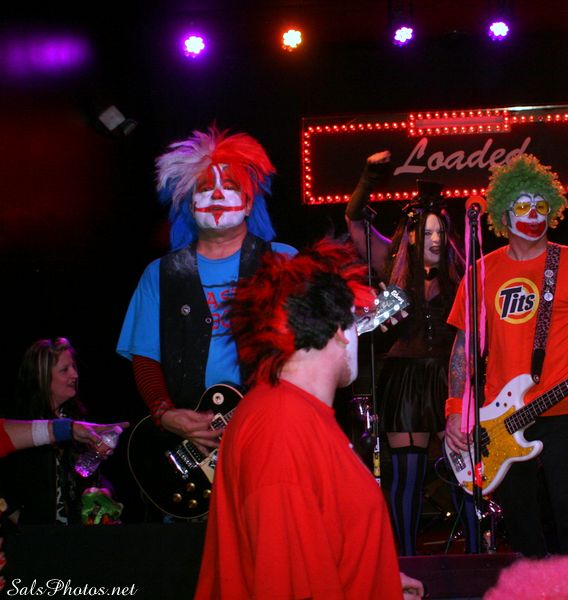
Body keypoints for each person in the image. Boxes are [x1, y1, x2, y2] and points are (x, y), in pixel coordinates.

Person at [194, 238, 423, 600]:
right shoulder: (283, 430)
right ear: (339, 330)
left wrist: (378, 582)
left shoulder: (297, 414)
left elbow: (323, 543)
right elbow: (283, 585)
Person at [443, 154, 568, 557]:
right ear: (503, 214)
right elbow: (464, 348)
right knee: (519, 517)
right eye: (523, 206)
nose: (535, 214)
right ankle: (532, 582)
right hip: (500, 417)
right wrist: (455, 410)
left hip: (563, 404)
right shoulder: (481, 271)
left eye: (541, 205)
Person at [117, 126, 296, 461]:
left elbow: (318, 342)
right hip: (192, 449)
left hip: (272, 430)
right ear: (190, 205)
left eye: (229, 187)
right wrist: (165, 413)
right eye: (204, 188)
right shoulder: (161, 274)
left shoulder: (285, 262)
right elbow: (144, 356)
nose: (216, 195)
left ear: (248, 204)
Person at [345, 151, 467, 555]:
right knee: (406, 476)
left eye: (440, 232)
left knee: (464, 471)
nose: (434, 239)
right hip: (404, 380)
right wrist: (367, 177)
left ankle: (477, 557)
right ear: (411, 235)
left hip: (449, 378)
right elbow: (354, 218)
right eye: (426, 232)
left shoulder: (460, 272)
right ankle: (407, 561)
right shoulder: (392, 263)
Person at [0, 338, 126, 524]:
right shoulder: (21, 424)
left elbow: (86, 475)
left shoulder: (77, 420)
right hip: (32, 534)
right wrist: (14, 515)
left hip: (71, 533)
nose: (75, 374)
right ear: (42, 376)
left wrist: (103, 491)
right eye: (64, 369)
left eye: (74, 367)